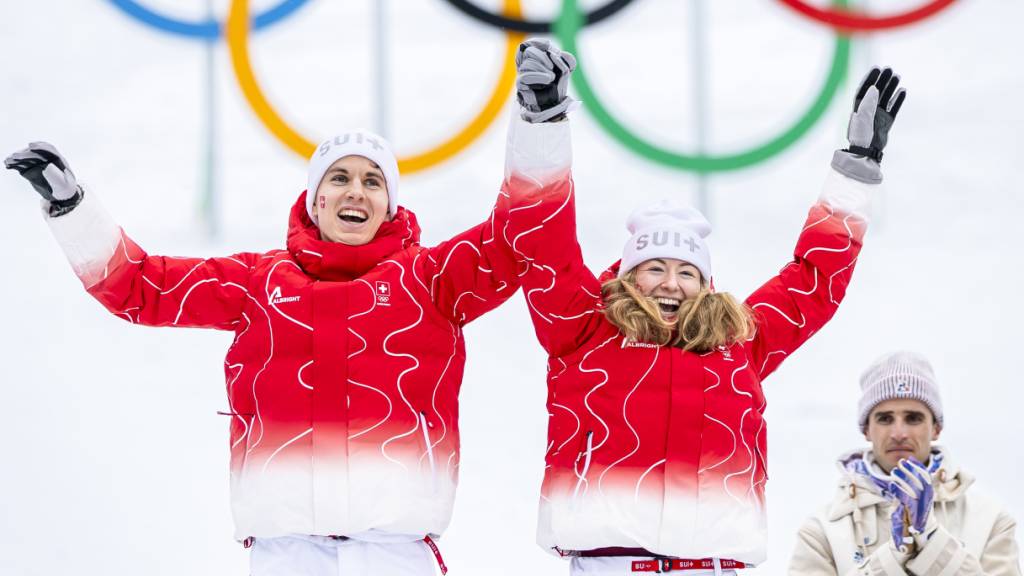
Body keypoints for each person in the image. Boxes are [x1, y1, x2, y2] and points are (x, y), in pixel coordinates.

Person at [4, 132, 525, 575]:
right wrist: (72, 208)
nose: (356, 191)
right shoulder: (260, 281)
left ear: (390, 205)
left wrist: (538, 123)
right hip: (287, 552)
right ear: (315, 199)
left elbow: (516, 239)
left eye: (373, 181)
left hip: (395, 552)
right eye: (339, 178)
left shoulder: (430, 281)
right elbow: (142, 287)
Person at [502, 39, 903, 574]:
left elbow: (815, 278)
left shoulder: (740, 344)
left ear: (706, 284)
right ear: (627, 277)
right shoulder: (583, 329)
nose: (672, 283)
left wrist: (855, 171)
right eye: (655, 268)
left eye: (687, 272)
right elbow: (542, 238)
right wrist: (541, 125)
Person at [788, 351, 1022, 575]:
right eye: (885, 418)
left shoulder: (990, 520)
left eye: (913, 418)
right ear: (867, 429)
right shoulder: (821, 531)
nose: (898, 433)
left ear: (936, 428)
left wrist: (931, 540)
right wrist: (894, 555)